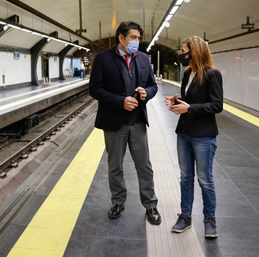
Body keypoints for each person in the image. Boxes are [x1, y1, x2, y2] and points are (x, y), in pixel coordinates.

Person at [89, 21, 161, 225]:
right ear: (121, 38)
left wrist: (147, 94)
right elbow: (94, 89)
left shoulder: (144, 59)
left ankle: (150, 205)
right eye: (133, 38)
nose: (137, 42)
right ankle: (118, 202)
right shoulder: (103, 59)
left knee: (144, 165)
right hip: (114, 122)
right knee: (115, 166)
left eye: (138, 38)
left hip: (137, 121)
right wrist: (120, 101)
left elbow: (152, 86)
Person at [165, 36, 223, 238]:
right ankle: (186, 216)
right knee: (185, 177)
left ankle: (209, 219)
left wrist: (189, 107)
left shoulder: (212, 74)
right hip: (184, 133)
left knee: (205, 179)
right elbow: (190, 101)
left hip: (203, 136)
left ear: (195, 51)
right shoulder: (188, 73)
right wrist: (176, 101)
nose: (181, 54)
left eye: (184, 50)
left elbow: (217, 105)